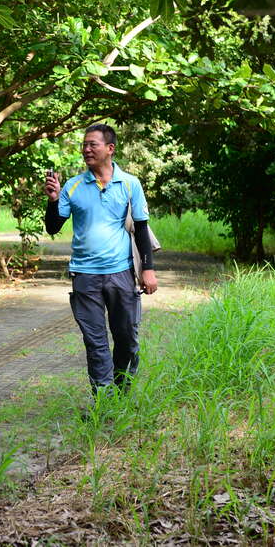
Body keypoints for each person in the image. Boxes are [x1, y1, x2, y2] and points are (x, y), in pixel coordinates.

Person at [43, 123, 158, 392]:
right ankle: (103, 399)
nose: (86, 149)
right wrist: (52, 200)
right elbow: (52, 227)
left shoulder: (130, 184)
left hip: (121, 272)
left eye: (92, 144)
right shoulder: (72, 186)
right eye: (84, 145)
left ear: (110, 148)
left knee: (126, 337)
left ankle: (122, 390)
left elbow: (140, 228)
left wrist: (148, 270)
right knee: (95, 342)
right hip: (85, 274)